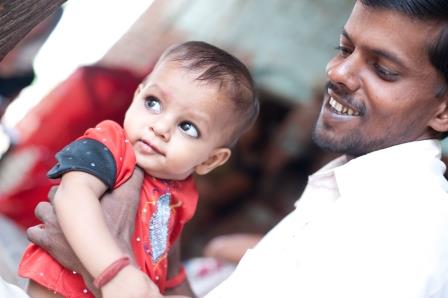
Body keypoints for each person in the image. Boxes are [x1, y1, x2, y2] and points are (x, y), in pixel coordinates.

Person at [27, 0, 448, 297]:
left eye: (383, 70)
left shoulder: (405, 232)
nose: (338, 72)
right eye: (344, 48)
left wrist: (100, 270)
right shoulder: (346, 190)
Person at [18, 41, 259, 298]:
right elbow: (73, 197)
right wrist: (114, 272)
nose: (160, 127)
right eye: (153, 103)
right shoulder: (112, 144)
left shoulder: (181, 195)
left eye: (187, 127)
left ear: (210, 160)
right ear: (136, 97)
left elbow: (169, 270)